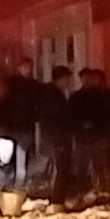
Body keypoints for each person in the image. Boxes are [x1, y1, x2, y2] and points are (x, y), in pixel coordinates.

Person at [70, 68, 110, 204]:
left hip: (103, 137)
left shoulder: (108, 96)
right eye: (90, 79)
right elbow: (71, 117)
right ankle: (92, 191)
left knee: (106, 166)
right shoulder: (79, 97)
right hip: (85, 137)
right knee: (89, 166)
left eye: (96, 79)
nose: (93, 82)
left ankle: (107, 193)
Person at [0, 58, 44, 194]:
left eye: (29, 67)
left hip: (21, 127)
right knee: (6, 161)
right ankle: (3, 189)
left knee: (19, 162)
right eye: (24, 67)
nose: (27, 70)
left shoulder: (33, 86)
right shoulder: (13, 84)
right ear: (19, 68)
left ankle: (16, 190)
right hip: (9, 127)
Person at [37, 65, 76, 201]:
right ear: (61, 79)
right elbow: (56, 119)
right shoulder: (53, 95)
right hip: (58, 138)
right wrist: (60, 140)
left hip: (57, 137)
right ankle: (56, 198)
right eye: (67, 79)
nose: (69, 82)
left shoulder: (51, 94)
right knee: (60, 168)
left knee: (59, 168)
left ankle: (57, 197)